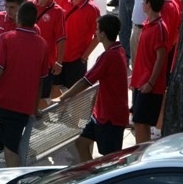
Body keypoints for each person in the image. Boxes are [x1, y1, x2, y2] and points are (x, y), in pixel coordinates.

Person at [0, 1, 49, 167]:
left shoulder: (6, 38)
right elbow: (40, 82)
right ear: (35, 22)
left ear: (18, 19)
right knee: (12, 150)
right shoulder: (42, 44)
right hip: (21, 109)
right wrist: (34, 108)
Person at [55, 14, 129, 161]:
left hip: (110, 118)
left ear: (102, 34)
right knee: (81, 143)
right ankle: (90, 174)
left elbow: (85, 81)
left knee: (111, 160)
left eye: (97, 29)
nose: (95, 33)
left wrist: (63, 97)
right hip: (101, 115)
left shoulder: (108, 56)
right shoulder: (118, 50)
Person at [130, 0, 169, 144]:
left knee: (140, 122)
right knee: (139, 122)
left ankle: (141, 157)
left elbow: (161, 57)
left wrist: (151, 82)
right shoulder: (147, 23)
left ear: (149, 4)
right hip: (141, 82)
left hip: (150, 85)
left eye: (144, 0)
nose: (141, 2)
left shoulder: (159, 27)